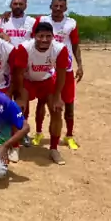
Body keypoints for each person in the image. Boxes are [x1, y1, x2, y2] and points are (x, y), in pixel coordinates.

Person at [33, 0, 84, 150]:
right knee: (42, 101)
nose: (58, 9)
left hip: (65, 68)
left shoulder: (71, 23)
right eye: (55, 6)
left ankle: (69, 135)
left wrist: (80, 65)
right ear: (51, 6)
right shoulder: (42, 20)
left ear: (66, 8)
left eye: (61, 6)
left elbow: (75, 44)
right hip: (47, 67)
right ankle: (38, 132)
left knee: (68, 103)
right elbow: (32, 38)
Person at [18, 22, 70, 165]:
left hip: (46, 81)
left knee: (56, 111)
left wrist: (58, 96)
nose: (44, 40)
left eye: (48, 36)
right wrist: (21, 97)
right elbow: (19, 74)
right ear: (34, 36)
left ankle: (54, 148)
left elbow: (61, 74)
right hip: (27, 81)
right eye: (41, 36)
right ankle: (15, 146)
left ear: (53, 36)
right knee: (18, 109)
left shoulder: (60, 49)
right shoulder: (24, 48)